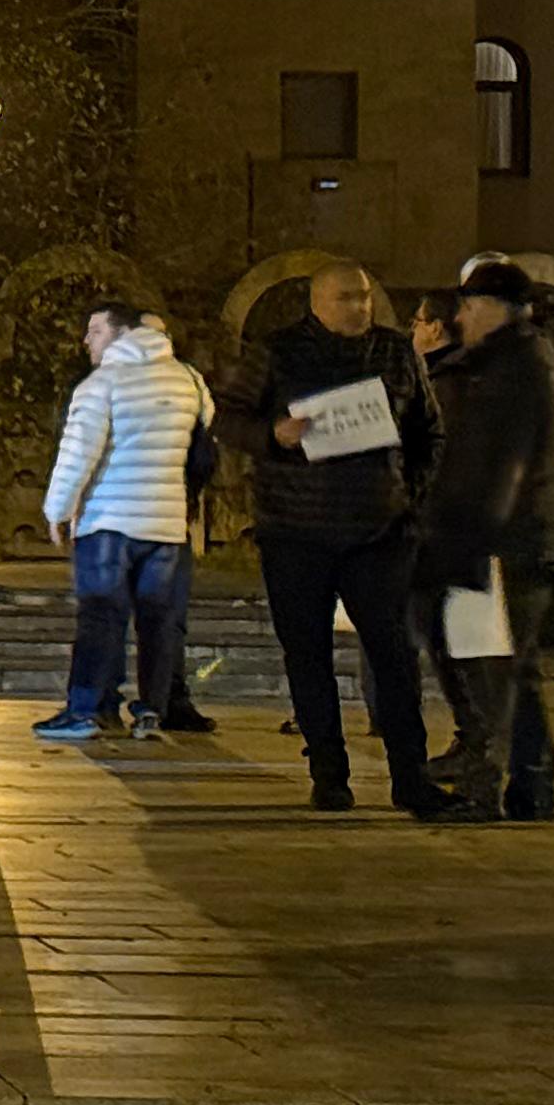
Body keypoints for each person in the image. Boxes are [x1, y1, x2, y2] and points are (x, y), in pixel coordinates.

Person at [220, 261, 448, 816]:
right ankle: (328, 772)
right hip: (295, 531)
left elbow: (428, 431)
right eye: (347, 298)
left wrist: (408, 495)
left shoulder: (396, 354)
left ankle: (409, 776)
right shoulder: (278, 353)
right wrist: (272, 436)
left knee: (393, 655)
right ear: (318, 303)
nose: (360, 308)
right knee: (308, 654)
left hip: (379, 531)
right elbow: (228, 418)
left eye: (366, 297)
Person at [420, 259, 554, 822]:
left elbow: (501, 464)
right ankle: (532, 789)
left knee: (491, 672)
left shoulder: (514, 368)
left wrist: (470, 541)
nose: (459, 318)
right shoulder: (512, 361)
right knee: (514, 672)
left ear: (490, 309)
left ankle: (485, 790)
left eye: (467, 306)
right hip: (515, 539)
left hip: (504, 542)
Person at [30, 302, 213, 747]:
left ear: (119, 335)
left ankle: (86, 709)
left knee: (101, 614)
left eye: (94, 331)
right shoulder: (189, 381)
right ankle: (152, 708)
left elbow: (78, 452)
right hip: (167, 525)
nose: (86, 341)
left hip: (109, 521)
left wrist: (57, 510)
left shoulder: (103, 383)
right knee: (158, 619)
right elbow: (203, 435)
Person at [406, 286, 486, 789]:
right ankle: (474, 739)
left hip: (448, 530)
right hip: (449, 528)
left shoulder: (447, 382)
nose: (412, 331)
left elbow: (438, 455)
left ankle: (476, 742)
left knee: (453, 643)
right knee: (446, 641)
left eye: (417, 321)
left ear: (436, 327)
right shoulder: (454, 376)